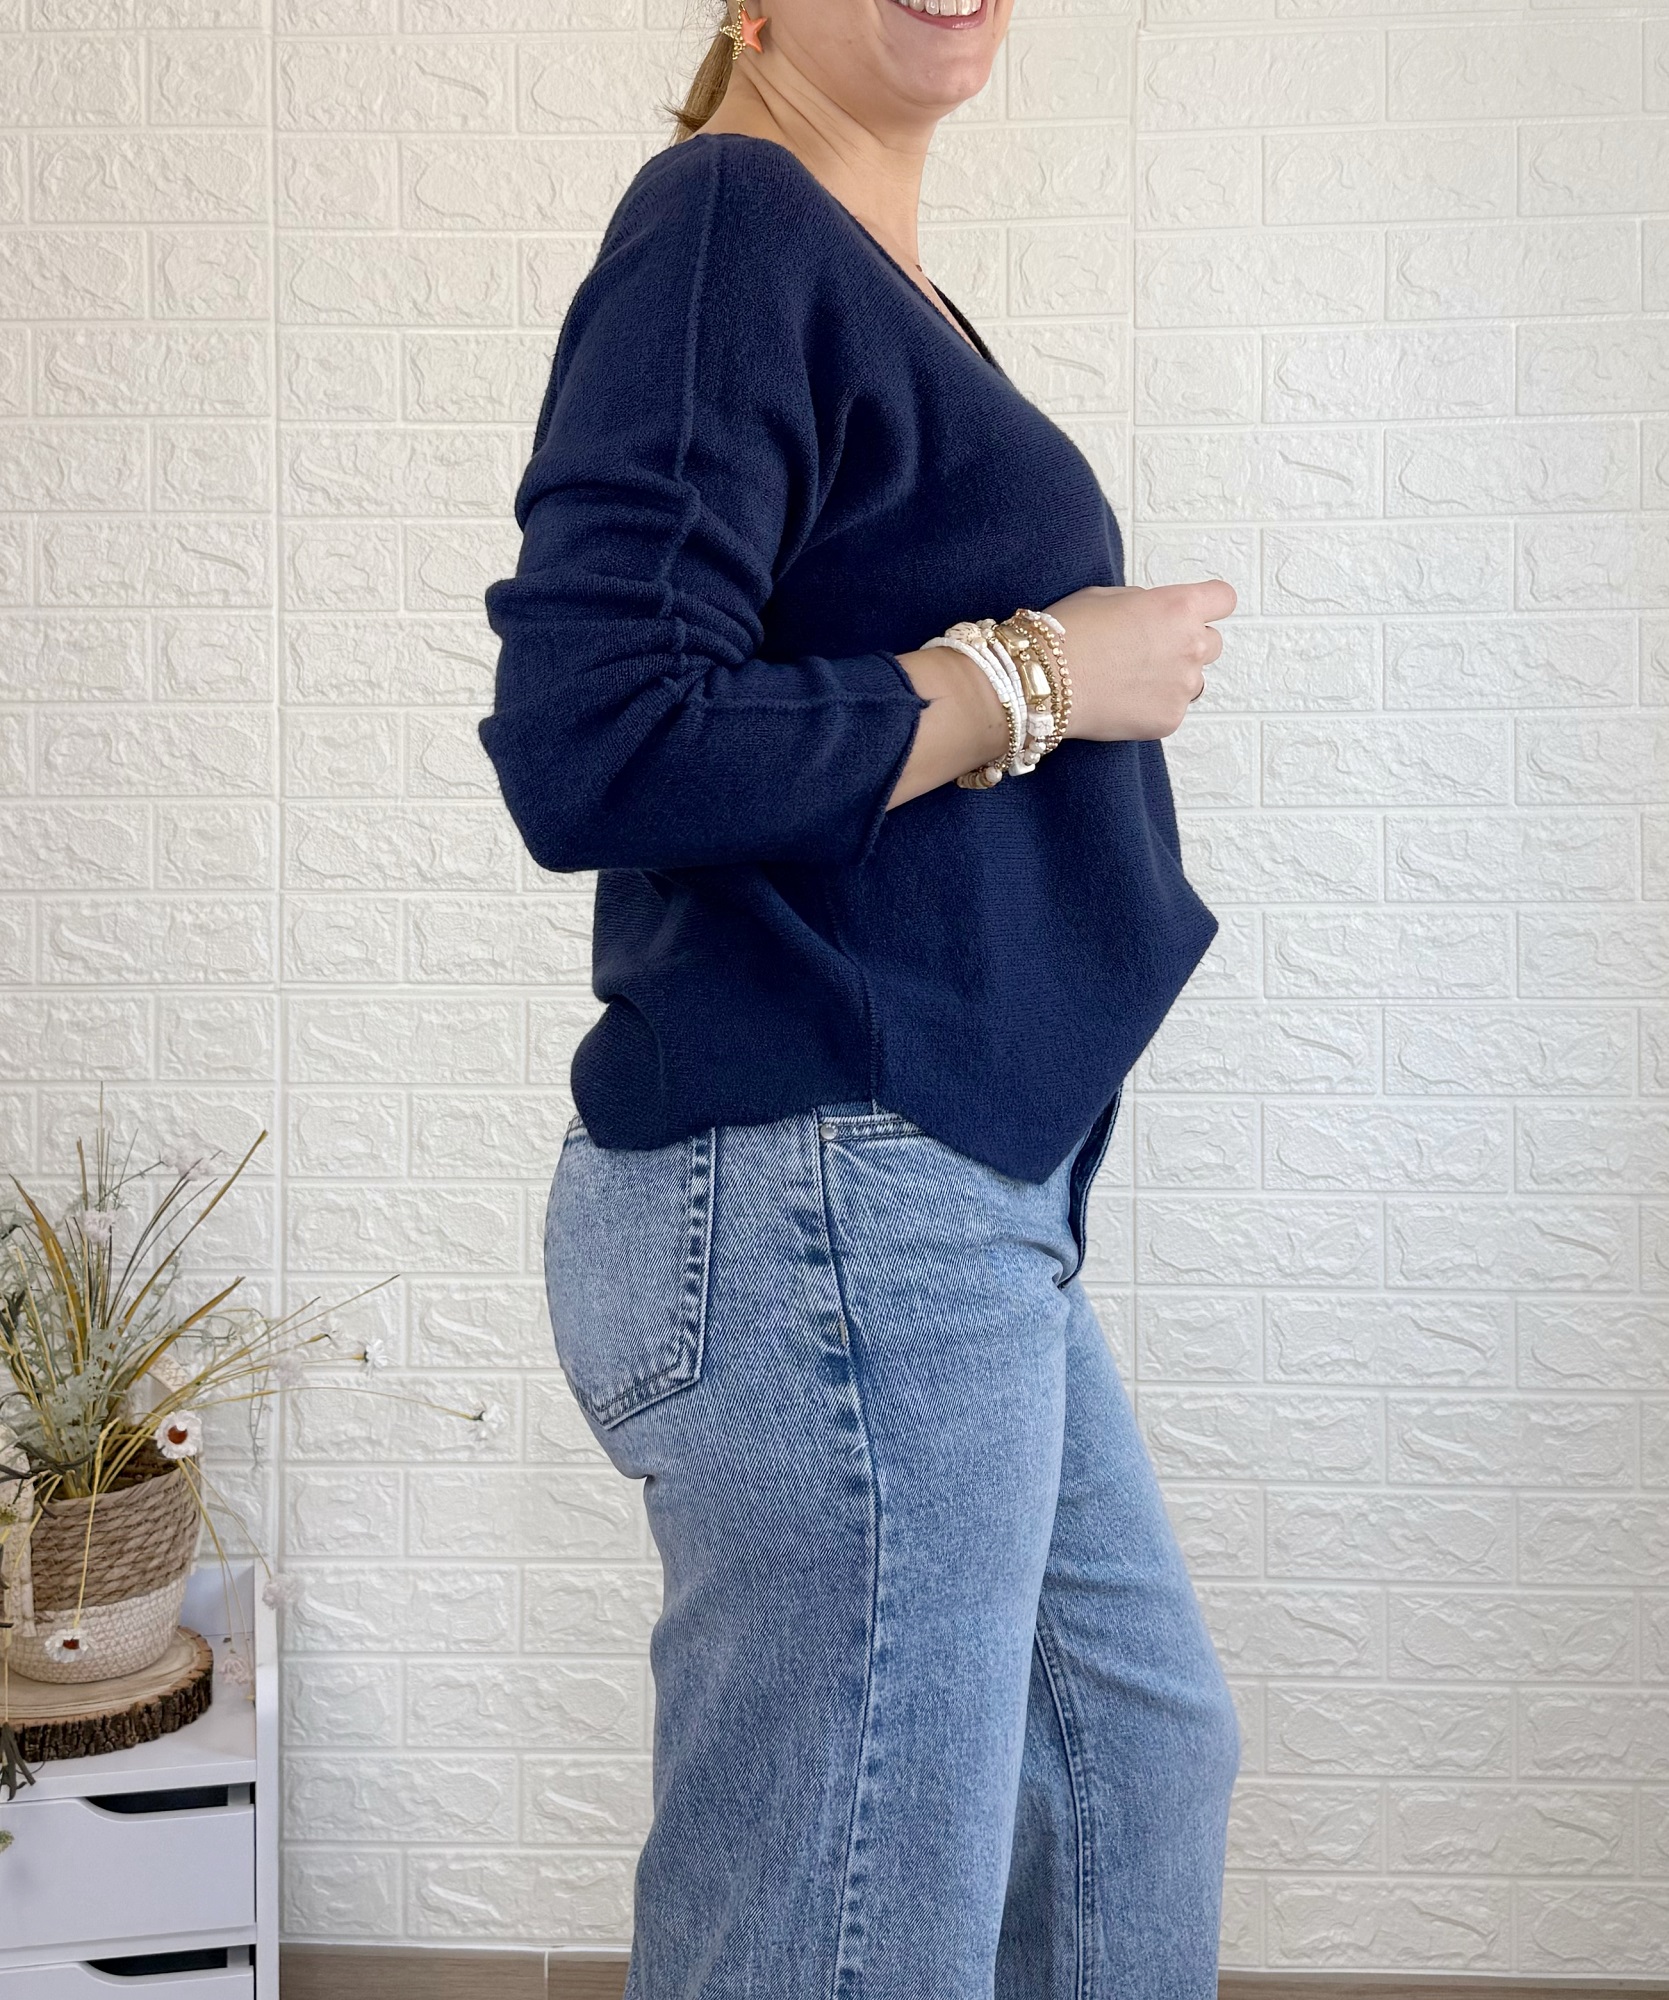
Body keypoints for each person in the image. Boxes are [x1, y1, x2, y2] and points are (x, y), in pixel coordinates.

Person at [478, 0, 1241, 1991]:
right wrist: (1040, 677)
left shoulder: (858, 275)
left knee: (1131, 1760)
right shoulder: (729, 220)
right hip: (826, 1189)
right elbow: (597, 738)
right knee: (850, 1936)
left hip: (934, 1193)